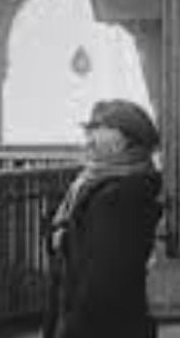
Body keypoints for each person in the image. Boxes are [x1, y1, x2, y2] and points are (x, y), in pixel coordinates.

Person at [44, 98, 163, 338]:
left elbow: (105, 279)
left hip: (99, 326)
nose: (88, 140)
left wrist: (74, 328)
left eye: (97, 131)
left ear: (122, 140)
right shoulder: (94, 180)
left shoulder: (119, 196)